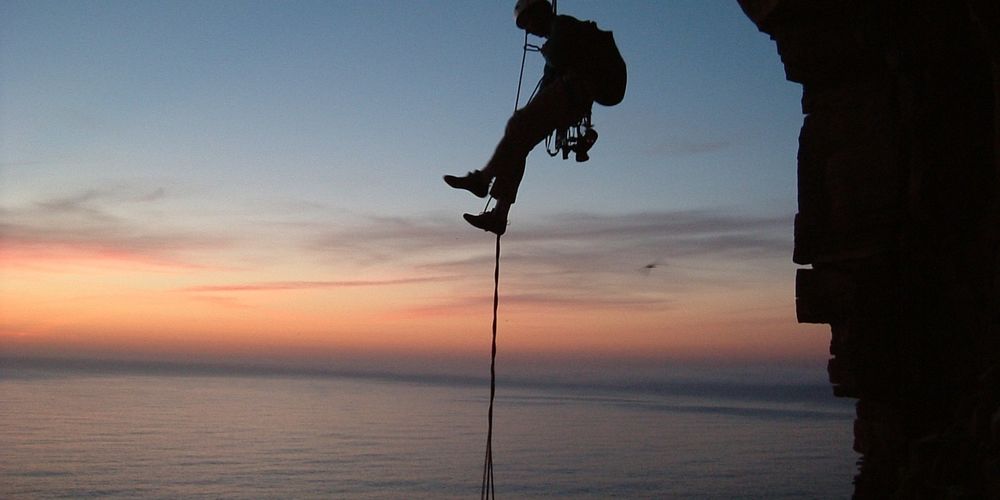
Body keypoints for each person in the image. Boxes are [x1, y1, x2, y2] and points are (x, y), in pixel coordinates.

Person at [444, 0, 625, 236]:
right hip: (578, 93)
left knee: (519, 127)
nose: (528, 30)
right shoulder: (562, 34)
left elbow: (557, 60)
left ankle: (483, 180)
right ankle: (499, 214)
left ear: (539, 12)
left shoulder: (562, 26)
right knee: (520, 142)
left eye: (527, 22)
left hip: (577, 88)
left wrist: (527, 115)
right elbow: (549, 81)